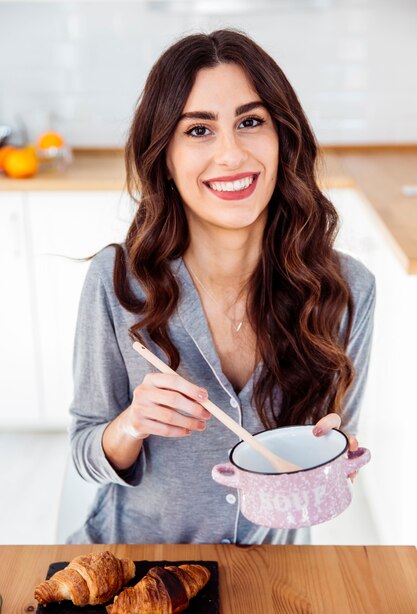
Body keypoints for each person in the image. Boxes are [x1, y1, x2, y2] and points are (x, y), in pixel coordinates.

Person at [68, 29, 375, 545]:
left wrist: (332, 458)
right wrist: (131, 425)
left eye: (251, 122)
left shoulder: (346, 290)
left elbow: (344, 458)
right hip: (133, 568)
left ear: (284, 139)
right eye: (199, 131)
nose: (231, 154)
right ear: (164, 156)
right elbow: (85, 453)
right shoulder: (117, 280)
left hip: (271, 578)